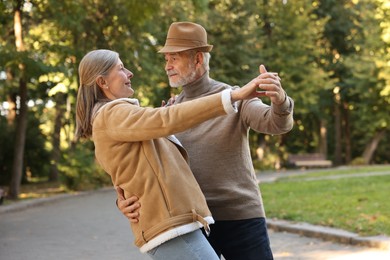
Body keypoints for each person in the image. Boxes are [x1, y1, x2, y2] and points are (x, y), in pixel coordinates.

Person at [117, 22, 294, 260]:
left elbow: (275, 124)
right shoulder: (168, 112)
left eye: (174, 58)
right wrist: (123, 199)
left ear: (198, 60)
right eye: (166, 59)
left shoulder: (236, 97)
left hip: (240, 218)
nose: (167, 66)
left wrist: (280, 100)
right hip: (193, 223)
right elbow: (148, 165)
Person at [75, 49, 272, 260]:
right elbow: (167, 119)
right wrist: (234, 96)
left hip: (177, 226)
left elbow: (132, 169)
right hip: (171, 230)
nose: (130, 73)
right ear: (102, 82)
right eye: (121, 68)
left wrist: (122, 198)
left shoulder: (113, 116)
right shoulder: (111, 114)